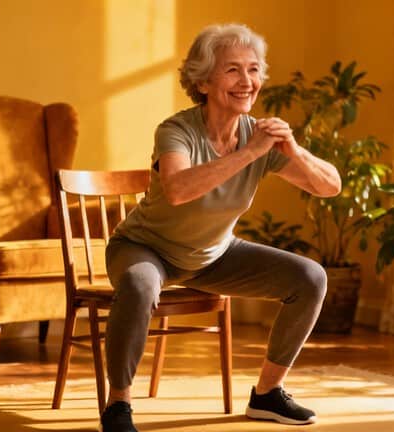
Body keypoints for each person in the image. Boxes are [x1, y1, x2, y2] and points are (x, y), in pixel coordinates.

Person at [99, 23, 342, 432]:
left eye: (253, 70)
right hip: (146, 248)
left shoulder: (260, 136)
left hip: (213, 254)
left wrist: (293, 150)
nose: (246, 82)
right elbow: (177, 189)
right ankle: (118, 406)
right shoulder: (177, 130)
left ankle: (267, 394)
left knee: (309, 277)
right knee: (140, 286)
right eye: (232, 70)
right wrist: (250, 152)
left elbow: (330, 187)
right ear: (203, 80)